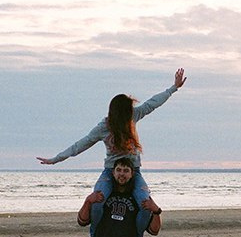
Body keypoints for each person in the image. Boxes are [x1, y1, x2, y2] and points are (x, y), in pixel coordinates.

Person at [38, 68, 187, 207]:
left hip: (133, 170)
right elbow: (80, 145)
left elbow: (152, 104)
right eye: (128, 109)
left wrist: (173, 88)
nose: (132, 111)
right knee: (98, 199)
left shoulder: (133, 116)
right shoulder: (103, 127)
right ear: (119, 112)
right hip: (111, 170)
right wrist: (55, 159)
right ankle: (96, 233)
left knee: (145, 203)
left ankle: (135, 235)